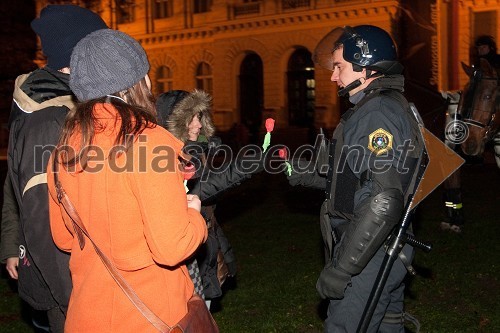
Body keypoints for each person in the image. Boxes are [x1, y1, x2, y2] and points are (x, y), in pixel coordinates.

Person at [46, 28, 208, 332]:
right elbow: (171, 248)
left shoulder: (64, 149)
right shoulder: (149, 143)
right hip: (151, 315)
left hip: (87, 314)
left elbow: (64, 238)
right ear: (136, 82)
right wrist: (193, 216)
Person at [287, 25, 425, 332]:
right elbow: (359, 182)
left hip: (369, 254)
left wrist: (344, 270)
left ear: (365, 66)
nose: (334, 76)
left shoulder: (376, 113)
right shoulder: (382, 106)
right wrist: (304, 174)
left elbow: (384, 201)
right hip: (383, 247)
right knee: (387, 326)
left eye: (339, 67)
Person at [4, 5, 108, 332]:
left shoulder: (73, 106)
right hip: (70, 283)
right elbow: (40, 216)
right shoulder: (49, 119)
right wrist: (75, 299)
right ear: (80, 53)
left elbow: (12, 186)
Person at [156, 89, 261, 310]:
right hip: (184, 251)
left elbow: (208, 203)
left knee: (201, 312)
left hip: (203, 241)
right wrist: (245, 167)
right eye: (190, 118)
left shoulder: (194, 152)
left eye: (199, 117)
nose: (198, 125)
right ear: (172, 121)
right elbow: (202, 190)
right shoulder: (168, 157)